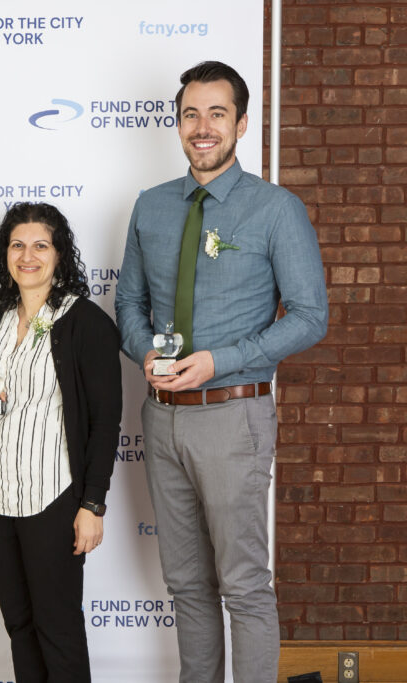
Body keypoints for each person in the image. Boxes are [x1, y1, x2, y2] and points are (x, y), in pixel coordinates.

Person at [115, 61, 328, 682]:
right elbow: (129, 303)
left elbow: (310, 317)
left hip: (235, 416)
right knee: (186, 583)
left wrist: (220, 360)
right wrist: (142, 351)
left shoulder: (275, 208)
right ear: (177, 123)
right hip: (162, 420)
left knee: (243, 584)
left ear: (240, 122)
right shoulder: (151, 208)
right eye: (190, 114)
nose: (202, 128)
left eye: (216, 114)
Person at [0, 202, 122, 683]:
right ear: (4, 255)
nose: (27, 256)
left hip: (52, 496)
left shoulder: (86, 323)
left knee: (58, 627)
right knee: (19, 626)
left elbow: (105, 420)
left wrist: (92, 503)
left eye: (40, 245)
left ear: (59, 255)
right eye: (17, 245)